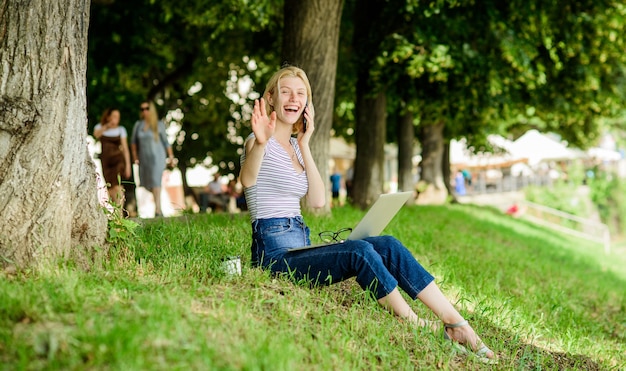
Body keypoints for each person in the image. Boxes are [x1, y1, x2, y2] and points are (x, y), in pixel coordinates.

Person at [239, 66, 496, 363]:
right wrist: (260, 142)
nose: (293, 98)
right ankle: (415, 323)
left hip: (299, 243)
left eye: (301, 93)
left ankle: (456, 323)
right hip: (273, 255)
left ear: (307, 104)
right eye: (286, 92)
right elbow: (247, 180)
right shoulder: (257, 142)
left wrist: (306, 143)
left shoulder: (297, 147)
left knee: (386, 243)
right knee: (359, 252)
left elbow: (319, 200)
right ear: (270, 98)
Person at [131, 101, 174, 217]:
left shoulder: (159, 124)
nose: (144, 111)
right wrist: (135, 157)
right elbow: (133, 143)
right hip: (144, 158)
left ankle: (158, 210)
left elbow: (166, 142)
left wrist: (171, 157)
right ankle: (157, 203)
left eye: (147, 108)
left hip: (157, 157)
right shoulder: (138, 125)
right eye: (142, 109)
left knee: (155, 181)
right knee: (145, 184)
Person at [93, 108, 131, 207]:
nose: (116, 119)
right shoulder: (100, 127)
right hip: (106, 161)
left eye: (117, 117)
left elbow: (125, 148)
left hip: (118, 160)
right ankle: (115, 211)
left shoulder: (121, 130)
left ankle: (120, 212)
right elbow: (96, 135)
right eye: (114, 116)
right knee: (109, 187)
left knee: (117, 185)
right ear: (108, 117)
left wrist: (128, 166)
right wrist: (107, 126)